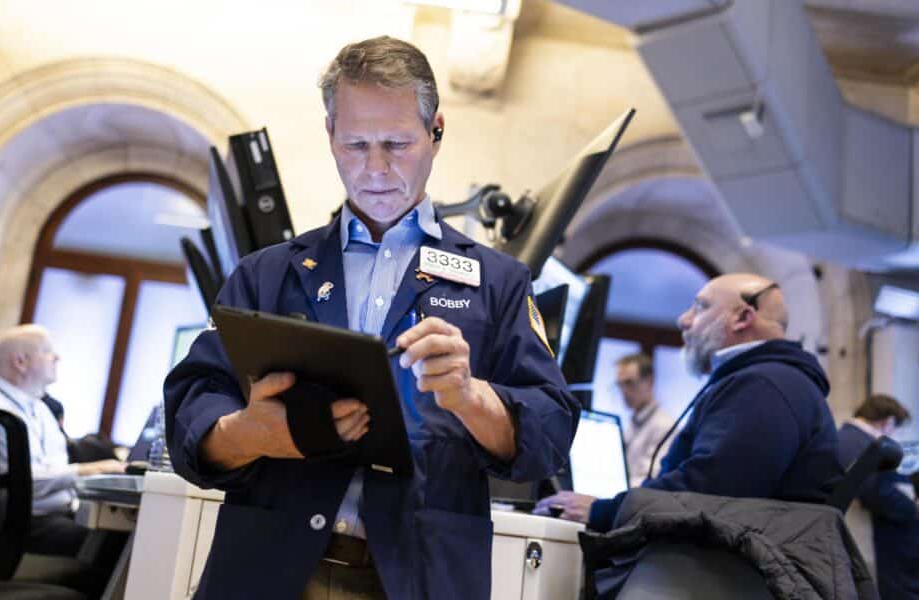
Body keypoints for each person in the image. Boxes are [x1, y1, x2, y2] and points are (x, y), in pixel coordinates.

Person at [164, 36, 578, 600]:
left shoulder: (500, 283)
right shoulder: (266, 273)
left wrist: (470, 396)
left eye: (397, 144)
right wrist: (247, 433)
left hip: (418, 577)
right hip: (267, 569)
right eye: (356, 144)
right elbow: (192, 403)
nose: (376, 168)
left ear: (436, 131)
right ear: (330, 135)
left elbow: (550, 432)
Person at [535, 273, 843, 532]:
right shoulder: (765, 380)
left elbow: (706, 494)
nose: (684, 320)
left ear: (743, 318)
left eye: (700, 307)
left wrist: (603, 511)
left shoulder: (765, 386)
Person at [0, 324, 124, 557]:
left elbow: (55, 467)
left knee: (118, 533)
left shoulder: (40, 407)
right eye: (47, 351)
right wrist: (90, 470)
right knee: (113, 542)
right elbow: (26, 482)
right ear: (21, 361)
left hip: (58, 512)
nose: (57, 358)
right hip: (23, 522)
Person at [837, 394, 918, 599]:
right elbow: (875, 492)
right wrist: (913, 508)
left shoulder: (847, 438)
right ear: (888, 421)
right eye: (896, 428)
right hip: (873, 541)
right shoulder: (861, 442)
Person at [613, 352, 675, 487]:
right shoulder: (634, 420)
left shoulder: (664, 426)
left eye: (629, 383)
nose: (624, 391)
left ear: (649, 382)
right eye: (620, 384)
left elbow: (651, 479)